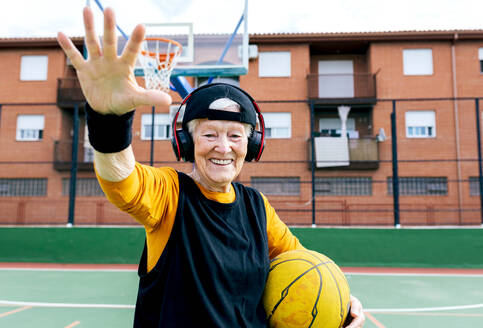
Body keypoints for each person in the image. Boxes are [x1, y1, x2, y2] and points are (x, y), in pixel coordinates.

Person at [57, 6, 365, 328]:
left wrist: (339, 299)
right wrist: (109, 121)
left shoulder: (257, 209)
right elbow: (121, 178)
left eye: (235, 135)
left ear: (251, 145)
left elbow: (302, 265)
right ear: (187, 143)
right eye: (209, 134)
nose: (223, 146)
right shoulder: (171, 195)